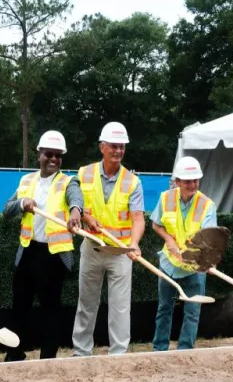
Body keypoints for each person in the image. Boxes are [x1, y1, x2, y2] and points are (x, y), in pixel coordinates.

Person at [3, 130, 83, 361]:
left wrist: (76, 212)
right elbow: (7, 210)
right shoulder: (26, 181)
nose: (54, 159)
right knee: (20, 306)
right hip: (28, 252)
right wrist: (22, 203)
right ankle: (14, 354)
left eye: (58, 155)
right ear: (39, 154)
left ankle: (48, 358)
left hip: (54, 255)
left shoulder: (68, 181)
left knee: (50, 309)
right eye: (49, 154)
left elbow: (76, 198)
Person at [71, 122, 145, 356]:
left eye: (122, 146)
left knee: (120, 307)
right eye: (113, 146)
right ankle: (81, 353)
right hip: (92, 248)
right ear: (102, 147)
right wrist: (85, 217)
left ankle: (118, 355)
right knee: (86, 303)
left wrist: (134, 244)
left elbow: (138, 218)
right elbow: (73, 203)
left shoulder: (132, 182)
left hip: (120, 252)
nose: (118, 151)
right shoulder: (84, 174)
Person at [150, 156, 217, 351]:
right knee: (164, 308)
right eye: (188, 181)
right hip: (169, 263)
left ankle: (185, 351)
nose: (193, 185)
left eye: (196, 180)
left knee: (192, 311)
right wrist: (169, 240)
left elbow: (210, 240)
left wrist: (208, 261)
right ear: (177, 182)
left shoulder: (207, 205)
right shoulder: (166, 198)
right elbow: (156, 224)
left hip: (194, 267)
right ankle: (159, 350)